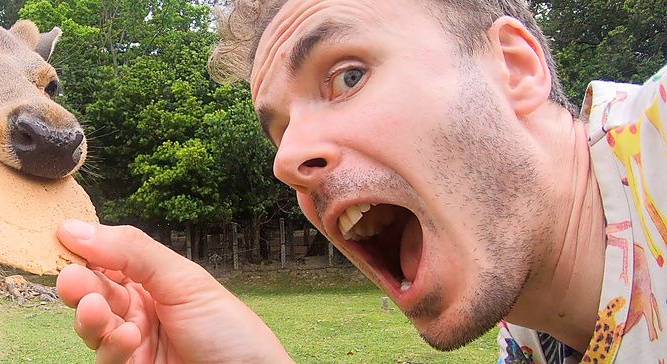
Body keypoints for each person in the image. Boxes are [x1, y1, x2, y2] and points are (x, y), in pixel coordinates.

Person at [54, 0, 667, 362]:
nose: (287, 158)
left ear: (514, 67)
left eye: (347, 76)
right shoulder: (534, 333)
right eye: (280, 130)